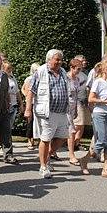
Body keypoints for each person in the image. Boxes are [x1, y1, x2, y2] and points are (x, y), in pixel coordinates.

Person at [24, 49, 70, 179]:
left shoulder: (62, 72)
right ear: (49, 60)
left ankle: (47, 155)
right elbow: (31, 91)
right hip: (47, 112)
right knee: (45, 138)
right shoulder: (41, 72)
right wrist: (28, 109)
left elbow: (67, 91)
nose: (60, 62)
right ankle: (43, 166)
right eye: (57, 60)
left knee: (62, 137)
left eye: (61, 60)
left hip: (61, 111)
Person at [79, 61, 107, 179]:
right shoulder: (98, 82)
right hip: (99, 114)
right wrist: (104, 101)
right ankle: (84, 160)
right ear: (104, 69)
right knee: (102, 141)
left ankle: (106, 169)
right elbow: (91, 99)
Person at [3, 61, 23, 164]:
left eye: (11, 68)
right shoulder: (1, 78)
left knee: (8, 131)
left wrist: (21, 104)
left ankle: (8, 154)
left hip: (13, 106)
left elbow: (17, 91)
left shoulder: (12, 78)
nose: (10, 70)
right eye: (8, 68)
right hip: (4, 108)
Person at [72, 55, 92, 151]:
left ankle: (77, 143)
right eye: (82, 61)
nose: (84, 63)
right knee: (78, 124)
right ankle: (73, 144)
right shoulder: (74, 74)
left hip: (85, 101)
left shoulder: (85, 74)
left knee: (82, 123)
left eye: (84, 61)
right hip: (78, 102)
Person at [65, 59, 82, 166]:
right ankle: (71, 155)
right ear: (72, 67)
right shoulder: (65, 78)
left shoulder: (77, 79)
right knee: (71, 131)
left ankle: (50, 152)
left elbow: (76, 95)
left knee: (67, 132)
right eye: (78, 69)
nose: (79, 71)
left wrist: (75, 109)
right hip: (64, 108)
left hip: (72, 107)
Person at [21, 63, 40, 150]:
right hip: (31, 103)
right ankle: (30, 140)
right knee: (30, 122)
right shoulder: (29, 79)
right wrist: (27, 96)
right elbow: (23, 89)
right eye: (36, 70)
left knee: (39, 122)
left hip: (39, 103)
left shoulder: (41, 78)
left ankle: (39, 140)